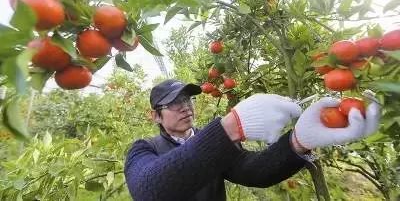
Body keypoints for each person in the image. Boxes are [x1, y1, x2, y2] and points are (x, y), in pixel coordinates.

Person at [124, 79, 380, 201]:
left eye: (187, 100)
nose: (185, 107)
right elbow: (149, 190)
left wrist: (298, 141)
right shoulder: (143, 149)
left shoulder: (210, 143)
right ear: (155, 116)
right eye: (173, 103)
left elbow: (253, 172)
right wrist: (232, 126)